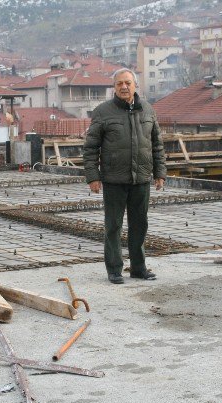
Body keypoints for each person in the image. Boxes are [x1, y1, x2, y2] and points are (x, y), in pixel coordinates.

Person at [83, 68, 166, 284]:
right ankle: (114, 269)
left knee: (140, 224)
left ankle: (138, 268)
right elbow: (91, 147)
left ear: (135, 85)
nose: (124, 87)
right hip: (113, 180)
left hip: (141, 179)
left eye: (127, 83)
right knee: (113, 226)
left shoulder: (148, 110)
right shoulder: (102, 112)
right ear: (114, 87)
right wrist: (93, 176)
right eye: (119, 83)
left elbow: (156, 145)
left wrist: (160, 173)